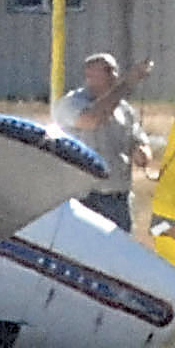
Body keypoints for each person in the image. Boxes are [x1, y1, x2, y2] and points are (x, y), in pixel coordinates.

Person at [56, 52, 153, 232]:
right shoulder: (70, 104)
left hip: (117, 199)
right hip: (84, 198)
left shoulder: (124, 110)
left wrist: (142, 152)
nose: (115, 76)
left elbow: (137, 141)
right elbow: (92, 119)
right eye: (108, 71)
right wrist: (128, 83)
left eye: (115, 71)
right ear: (89, 75)